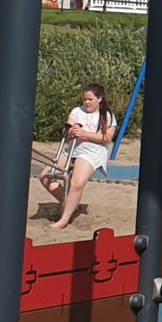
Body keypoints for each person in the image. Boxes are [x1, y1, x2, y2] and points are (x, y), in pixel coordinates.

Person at [42, 81, 116, 230]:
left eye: (90, 99)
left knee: (77, 183)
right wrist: (71, 131)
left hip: (92, 152)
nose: (87, 102)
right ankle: (69, 203)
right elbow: (66, 132)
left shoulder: (107, 115)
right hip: (73, 149)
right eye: (84, 99)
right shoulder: (76, 111)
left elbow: (107, 138)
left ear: (99, 99)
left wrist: (85, 133)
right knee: (45, 176)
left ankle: (64, 219)